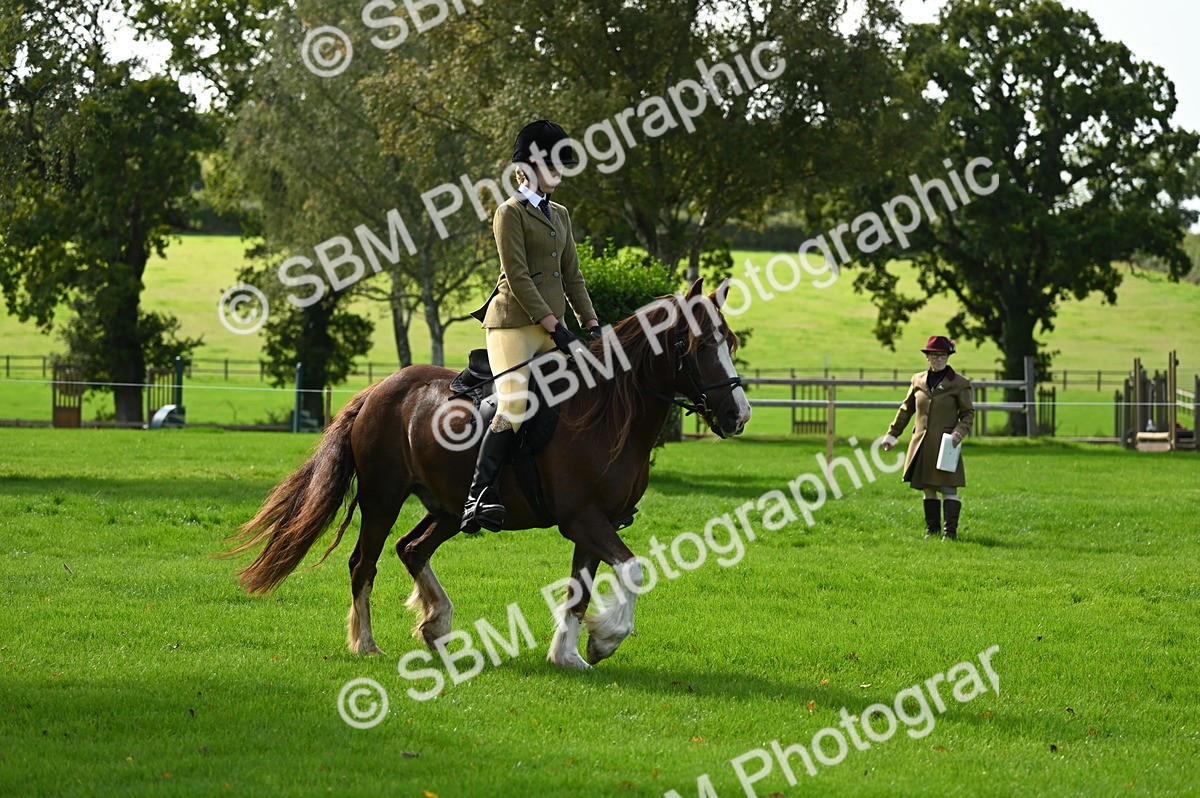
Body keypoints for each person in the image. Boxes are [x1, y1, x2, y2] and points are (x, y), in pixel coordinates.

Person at [461, 120, 602, 533]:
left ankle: (590, 490)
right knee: (515, 405)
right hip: (513, 325)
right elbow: (519, 278)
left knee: (587, 393)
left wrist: (590, 324)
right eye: (553, 164)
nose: (559, 172)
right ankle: (477, 495)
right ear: (528, 167)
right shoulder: (509, 214)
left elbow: (572, 275)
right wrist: (554, 326)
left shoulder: (560, 214)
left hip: (553, 326)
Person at [881, 336, 975, 540]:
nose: (938, 359)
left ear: (948, 356)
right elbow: (906, 409)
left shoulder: (960, 384)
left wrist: (960, 431)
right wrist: (892, 434)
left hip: (947, 445)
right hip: (922, 443)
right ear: (928, 357)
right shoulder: (918, 380)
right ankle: (931, 531)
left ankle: (950, 534)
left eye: (942, 355)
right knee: (928, 489)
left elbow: (968, 413)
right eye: (934, 355)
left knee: (949, 489)